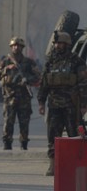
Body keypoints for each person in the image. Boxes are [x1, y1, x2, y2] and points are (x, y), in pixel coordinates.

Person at [37, 31, 87, 176]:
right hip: (54, 106)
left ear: (67, 44)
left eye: (60, 43)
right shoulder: (50, 61)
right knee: (53, 136)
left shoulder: (76, 61)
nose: (57, 46)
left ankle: (73, 165)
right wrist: (41, 102)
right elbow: (44, 83)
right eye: (56, 43)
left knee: (74, 137)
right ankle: (53, 165)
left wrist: (84, 105)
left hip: (72, 106)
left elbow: (83, 84)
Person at [0, 37, 40, 150]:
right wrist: (6, 69)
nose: (16, 47)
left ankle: (24, 143)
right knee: (8, 122)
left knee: (24, 122)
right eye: (14, 45)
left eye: (18, 46)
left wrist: (27, 79)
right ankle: (7, 143)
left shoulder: (29, 62)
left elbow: (37, 76)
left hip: (24, 98)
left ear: (22, 47)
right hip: (9, 96)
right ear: (11, 47)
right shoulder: (6, 61)